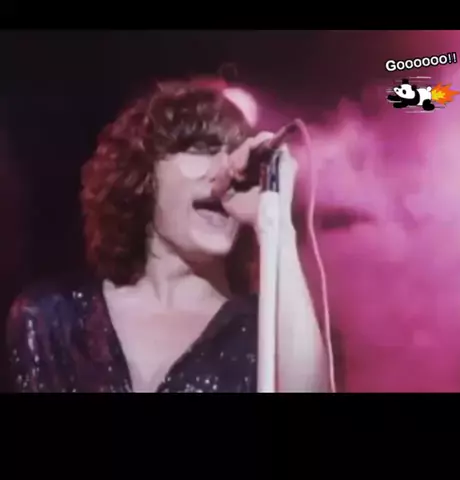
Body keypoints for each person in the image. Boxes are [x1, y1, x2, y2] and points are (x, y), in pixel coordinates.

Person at [5, 78, 329, 393]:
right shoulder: (53, 319)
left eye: (233, 154)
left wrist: (275, 222)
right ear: (145, 174)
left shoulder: (268, 332)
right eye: (202, 149)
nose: (227, 171)